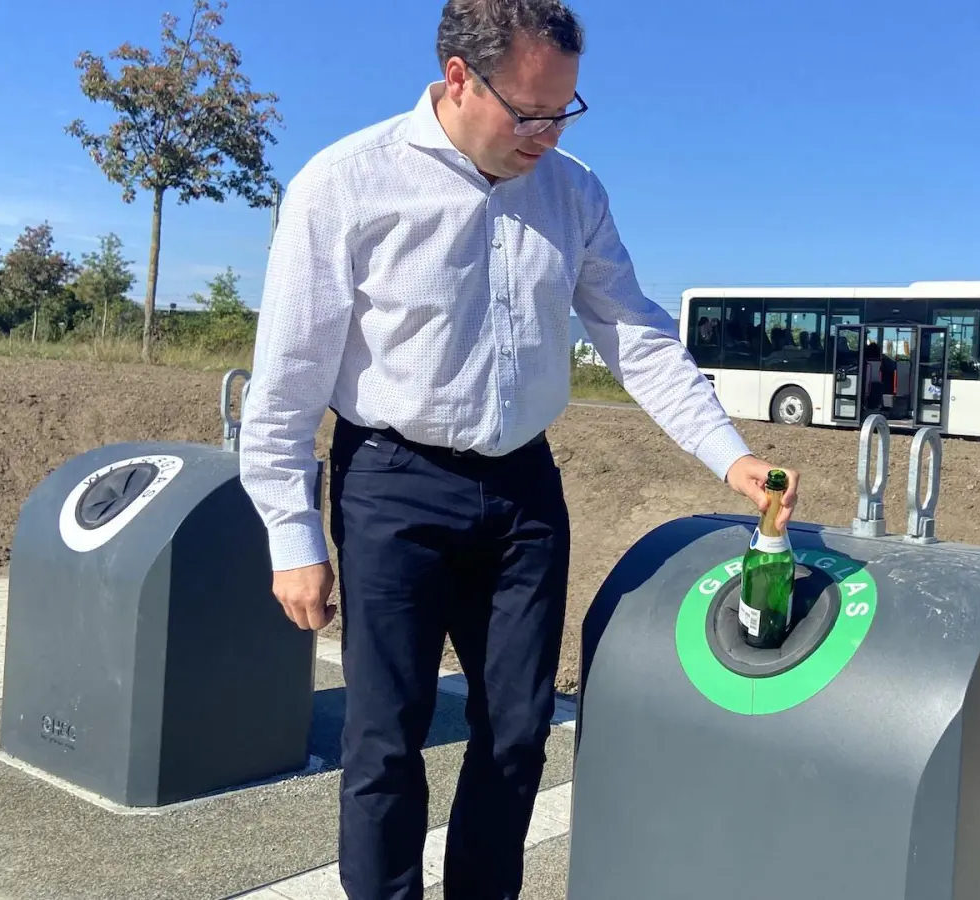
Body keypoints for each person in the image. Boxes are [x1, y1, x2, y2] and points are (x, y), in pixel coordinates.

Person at [235, 2, 800, 898]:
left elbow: (635, 334)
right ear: (458, 76)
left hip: (523, 488)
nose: (546, 134)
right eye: (529, 112)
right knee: (386, 735)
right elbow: (288, 378)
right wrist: (292, 537)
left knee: (518, 729)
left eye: (565, 111)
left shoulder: (574, 192)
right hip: (392, 481)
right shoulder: (344, 184)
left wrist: (727, 454)